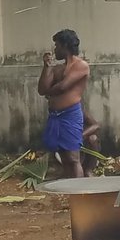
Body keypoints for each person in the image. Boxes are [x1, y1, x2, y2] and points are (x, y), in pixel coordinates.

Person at [37, 29, 90, 178]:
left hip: (70, 114)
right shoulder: (56, 68)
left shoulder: (81, 65)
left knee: (73, 158)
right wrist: (46, 67)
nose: (55, 49)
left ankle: (80, 193)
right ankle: (71, 191)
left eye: (57, 45)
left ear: (65, 46)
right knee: (64, 157)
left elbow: (63, 86)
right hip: (55, 116)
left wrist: (49, 91)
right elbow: (41, 89)